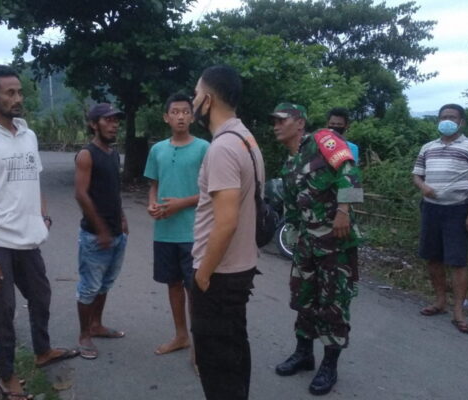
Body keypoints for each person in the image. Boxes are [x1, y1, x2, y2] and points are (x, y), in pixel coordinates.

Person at [0, 65, 78, 400]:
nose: (17, 98)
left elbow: (34, 179)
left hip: (29, 239)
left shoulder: (28, 135)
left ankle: (43, 351)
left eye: (19, 91)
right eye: (9, 93)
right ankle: (6, 375)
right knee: (4, 312)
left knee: (41, 297)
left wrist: (43, 215)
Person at [272, 102, 363, 396]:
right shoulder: (289, 165)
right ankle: (304, 353)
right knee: (303, 298)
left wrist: (345, 210)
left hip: (335, 244)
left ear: (299, 123)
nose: (275, 125)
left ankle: (330, 365)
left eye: (281, 120)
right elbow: (293, 209)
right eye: (273, 121)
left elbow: (350, 170)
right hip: (306, 246)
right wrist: (296, 238)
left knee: (334, 304)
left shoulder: (324, 140)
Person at [190, 65, 263, 400]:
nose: (192, 102)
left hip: (219, 273)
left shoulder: (221, 148)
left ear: (207, 99)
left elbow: (226, 221)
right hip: (239, 267)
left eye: (194, 95)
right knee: (234, 351)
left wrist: (203, 275)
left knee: (217, 365)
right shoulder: (245, 138)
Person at [412, 103, 468, 334]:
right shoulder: (428, 147)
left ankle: (458, 311)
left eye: (452, 117)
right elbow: (416, 174)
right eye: (444, 117)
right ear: (438, 121)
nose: (447, 120)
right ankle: (439, 302)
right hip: (431, 209)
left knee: (457, 261)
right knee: (433, 257)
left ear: (461, 121)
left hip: (458, 210)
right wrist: (423, 186)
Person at [143, 93, 209, 356]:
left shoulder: (205, 148)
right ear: (166, 117)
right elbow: (154, 185)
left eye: (185, 111)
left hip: (194, 232)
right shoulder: (157, 150)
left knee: (195, 290)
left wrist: (181, 203)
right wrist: (152, 204)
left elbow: (212, 191)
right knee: (173, 285)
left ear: (192, 116)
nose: (180, 116)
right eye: (175, 112)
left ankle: (199, 346)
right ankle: (181, 336)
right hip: (165, 232)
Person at [74, 103, 129, 360]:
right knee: (89, 287)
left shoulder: (112, 153)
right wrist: (101, 229)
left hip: (116, 232)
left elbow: (112, 192)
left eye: (116, 120)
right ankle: (84, 335)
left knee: (105, 283)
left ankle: (97, 325)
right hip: (95, 236)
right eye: (108, 120)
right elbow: (81, 194)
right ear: (94, 124)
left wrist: (121, 218)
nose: (114, 124)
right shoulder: (87, 154)